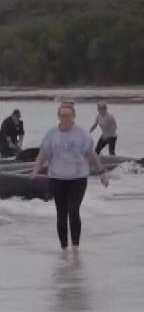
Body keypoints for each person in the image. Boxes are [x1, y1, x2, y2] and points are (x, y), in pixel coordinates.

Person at [31, 102, 108, 250]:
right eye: (62, 115)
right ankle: (64, 248)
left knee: (73, 210)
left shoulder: (82, 134)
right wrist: (35, 170)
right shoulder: (51, 134)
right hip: (57, 179)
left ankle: (76, 247)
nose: (65, 118)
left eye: (68, 115)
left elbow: (91, 155)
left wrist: (102, 172)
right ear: (58, 116)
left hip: (78, 179)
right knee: (61, 213)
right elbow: (42, 156)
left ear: (73, 116)